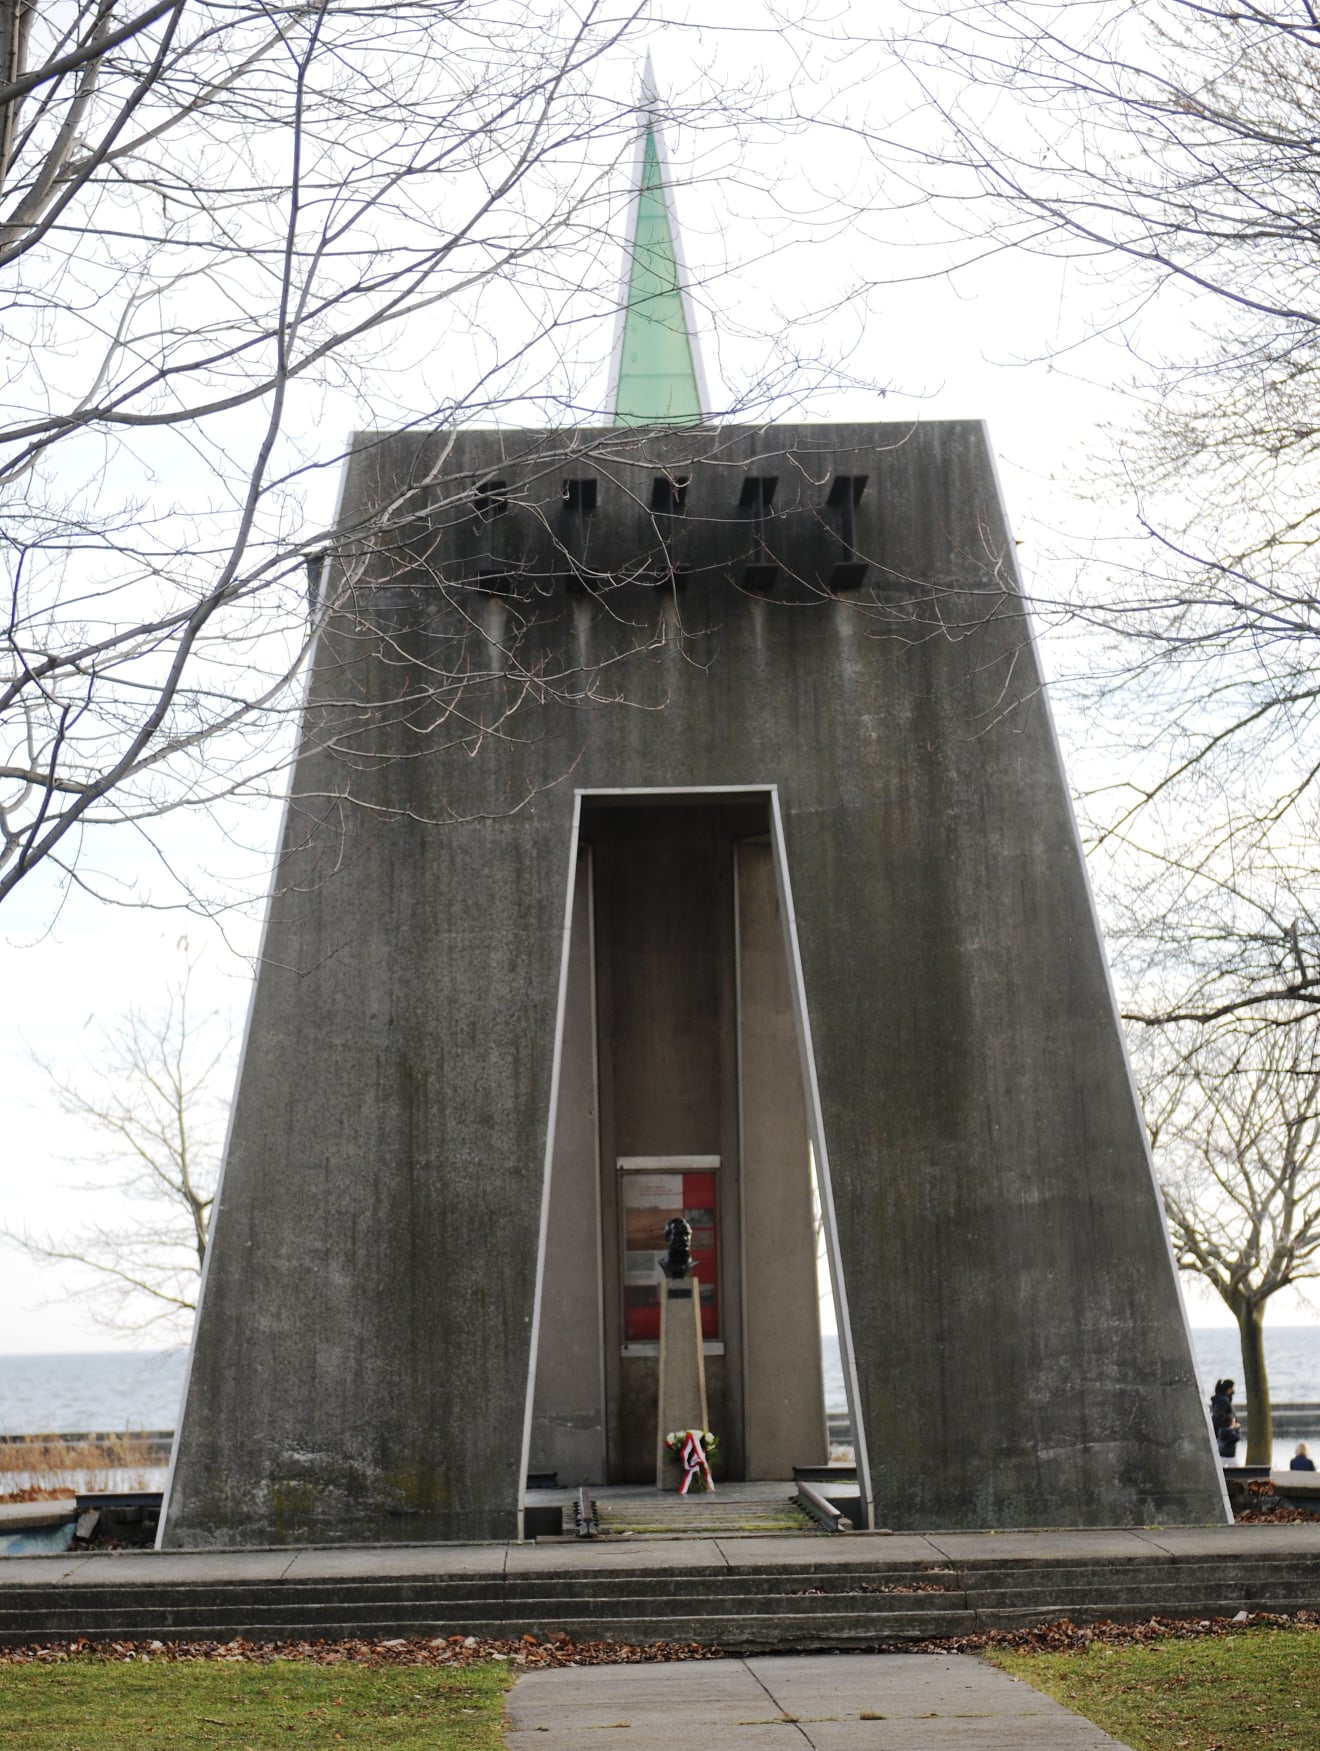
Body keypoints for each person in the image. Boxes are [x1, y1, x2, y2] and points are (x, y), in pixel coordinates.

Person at [1210, 1378, 1241, 1459]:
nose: (1233, 1390)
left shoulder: (1222, 1400)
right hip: (1225, 1435)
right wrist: (1232, 1425)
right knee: (1225, 1458)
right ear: (1228, 1389)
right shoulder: (1224, 1401)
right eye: (1232, 1388)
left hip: (1223, 1434)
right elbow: (1219, 1417)